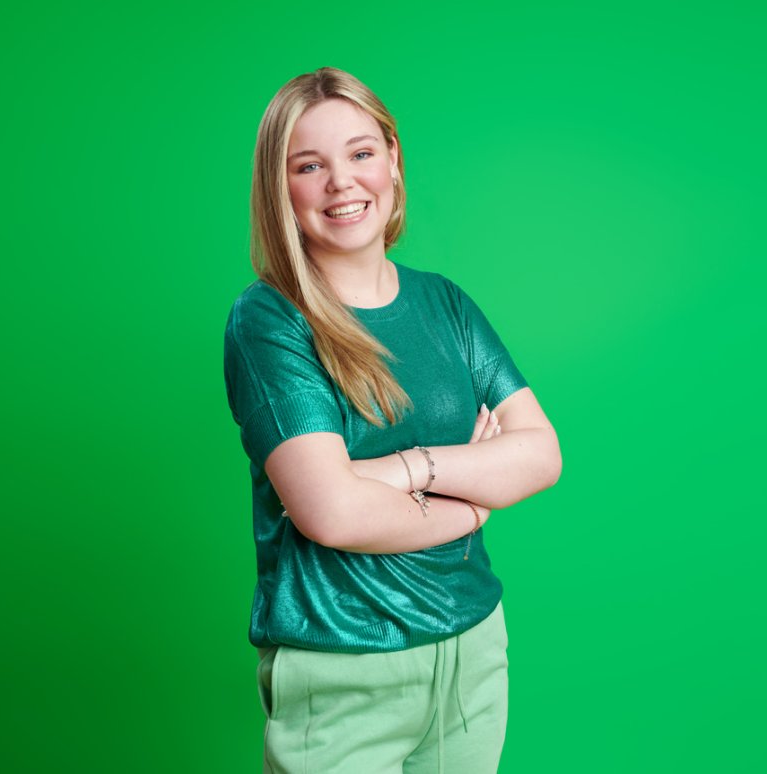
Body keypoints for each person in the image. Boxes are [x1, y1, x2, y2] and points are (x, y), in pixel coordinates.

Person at [223, 67, 562, 773]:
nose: (341, 182)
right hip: (343, 667)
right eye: (309, 166)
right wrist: (475, 505)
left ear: (393, 160)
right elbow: (333, 514)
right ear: (279, 188)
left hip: (472, 651)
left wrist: (405, 470)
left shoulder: (446, 304)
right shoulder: (270, 321)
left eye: (360, 153)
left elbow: (540, 454)